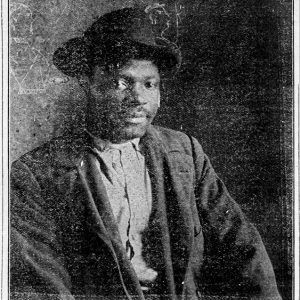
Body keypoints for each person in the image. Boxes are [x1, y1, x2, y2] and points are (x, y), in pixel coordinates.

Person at [10, 6, 282, 300]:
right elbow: (39, 281)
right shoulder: (36, 173)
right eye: (122, 83)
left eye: (149, 84)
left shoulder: (185, 153)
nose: (138, 98)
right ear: (88, 83)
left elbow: (240, 245)